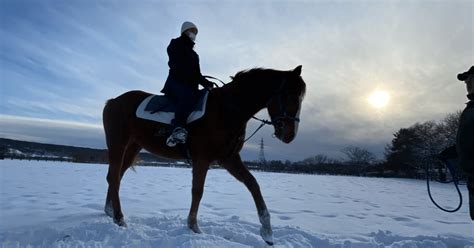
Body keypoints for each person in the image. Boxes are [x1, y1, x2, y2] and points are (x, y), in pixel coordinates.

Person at [161, 21, 214, 147]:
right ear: (184, 31)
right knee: (187, 96)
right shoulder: (175, 43)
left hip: (190, 85)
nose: (193, 34)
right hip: (176, 82)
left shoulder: (195, 55)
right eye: (192, 31)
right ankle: (177, 128)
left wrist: (207, 83)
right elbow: (175, 64)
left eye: (195, 32)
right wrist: (189, 75)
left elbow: (197, 74)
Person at [456, 65, 474, 220]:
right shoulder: (470, 109)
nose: (467, 83)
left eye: (472, 78)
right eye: (466, 80)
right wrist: (454, 151)